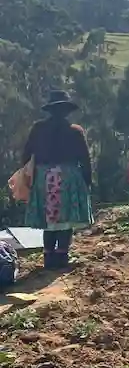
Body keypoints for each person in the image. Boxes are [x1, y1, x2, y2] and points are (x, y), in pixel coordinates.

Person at [21, 90, 94, 270]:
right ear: (67, 111)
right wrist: (87, 181)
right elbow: (85, 159)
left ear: (50, 110)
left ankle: (48, 257)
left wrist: (30, 175)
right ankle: (61, 256)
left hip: (44, 178)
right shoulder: (75, 131)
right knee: (65, 220)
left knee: (49, 221)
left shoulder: (38, 128)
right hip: (69, 178)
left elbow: (25, 155)